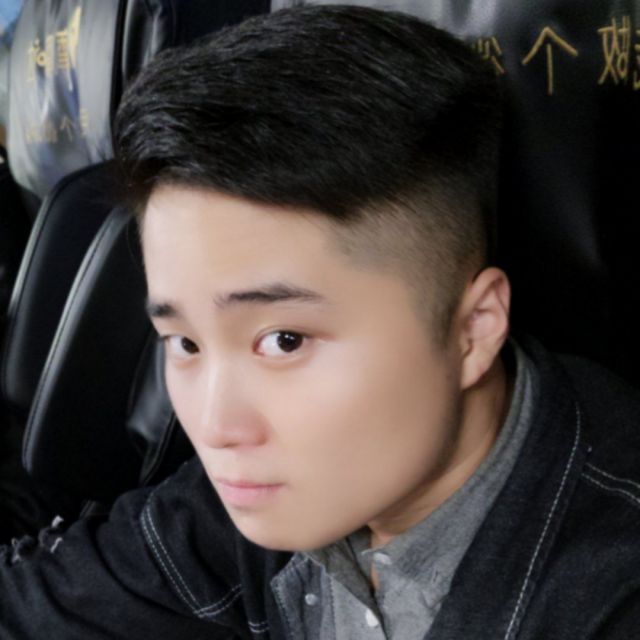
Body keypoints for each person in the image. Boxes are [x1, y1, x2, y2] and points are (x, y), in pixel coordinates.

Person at [2, 4, 640, 638]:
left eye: (284, 341)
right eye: (185, 343)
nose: (216, 428)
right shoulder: (252, 500)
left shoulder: (609, 591)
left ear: (474, 328)